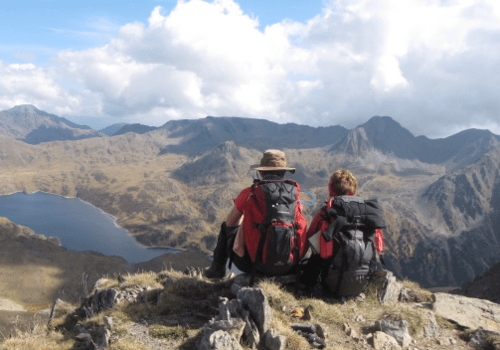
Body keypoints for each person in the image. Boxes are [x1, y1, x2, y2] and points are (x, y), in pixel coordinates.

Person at [205, 149, 308, 279]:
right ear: (284, 172)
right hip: (289, 265)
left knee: (225, 228)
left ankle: (217, 270)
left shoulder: (250, 193)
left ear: (260, 172)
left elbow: (231, 223)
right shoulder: (294, 195)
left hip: (253, 264)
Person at [304, 169, 385, 297]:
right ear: (353, 190)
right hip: (361, 284)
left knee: (316, 244)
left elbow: (308, 237)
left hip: (331, 284)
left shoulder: (326, 213)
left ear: (331, 188)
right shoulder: (367, 213)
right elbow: (379, 248)